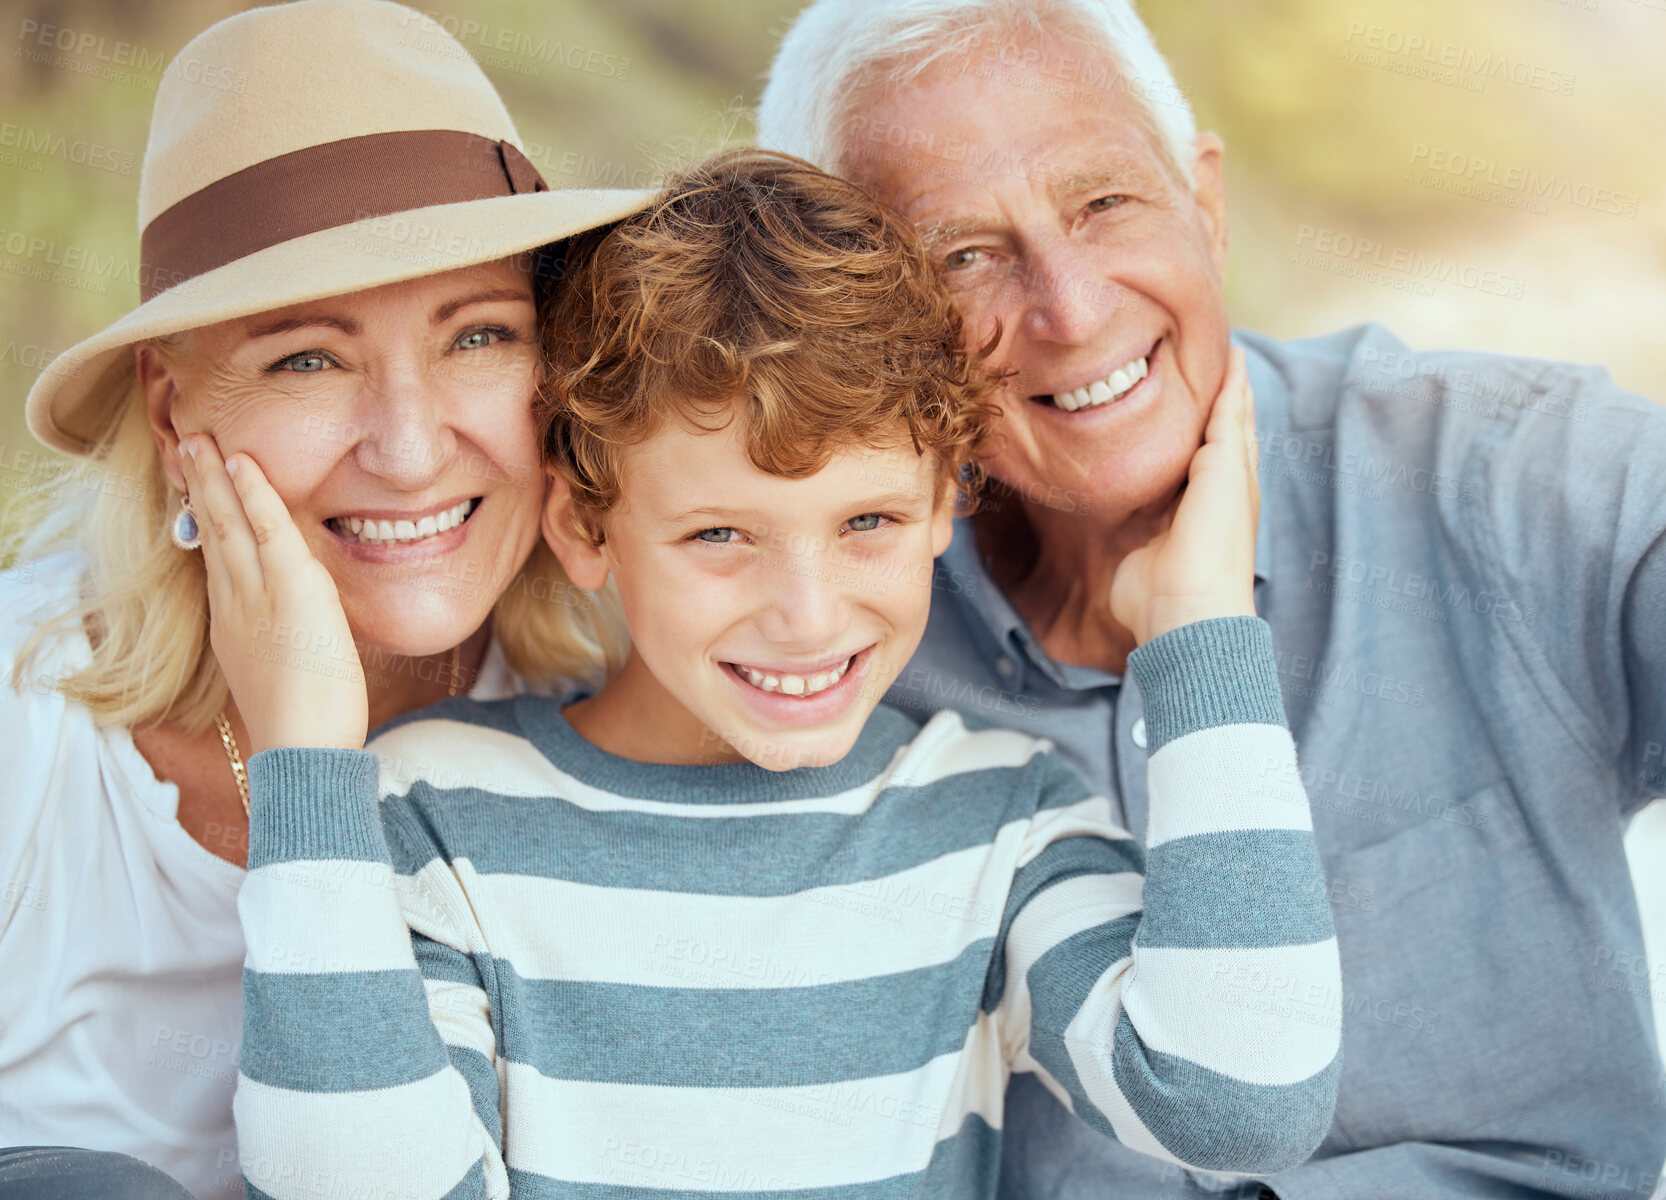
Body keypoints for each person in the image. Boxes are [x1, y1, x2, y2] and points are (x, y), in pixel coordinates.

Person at [192, 149, 1341, 1198]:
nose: (805, 615)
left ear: (946, 502)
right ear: (585, 525)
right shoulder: (431, 810)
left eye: (869, 523)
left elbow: (1237, 1105)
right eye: (719, 537)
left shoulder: (996, 820)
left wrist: (1200, 633)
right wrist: (305, 767)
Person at [756, 2, 1666, 1198]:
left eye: (1104, 204)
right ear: (866, 322)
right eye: (961, 256)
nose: (1070, 310)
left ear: (1205, 202)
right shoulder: (808, 636)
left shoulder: (1506, 477)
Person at [0, 2, 649, 1195]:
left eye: (480, 338)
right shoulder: (27, 726)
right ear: (170, 410)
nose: (408, 451)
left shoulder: (616, 701)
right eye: (309, 357)